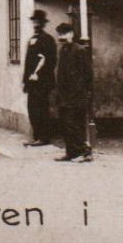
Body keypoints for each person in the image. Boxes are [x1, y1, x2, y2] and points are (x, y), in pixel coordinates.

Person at [53, 21, 94, 162]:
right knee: (65, 124)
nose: (61, 37)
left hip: (76, 95)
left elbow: (88, 74)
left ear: (71, 33)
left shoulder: (79, 50)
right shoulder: (63, 50)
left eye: (63, 33)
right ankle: (71, 152)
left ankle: (85, 152)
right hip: (64, 95)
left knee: (74, 124)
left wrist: (82, 91)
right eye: (59, 34)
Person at [22, 8, 58, 147]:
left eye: (38, 22)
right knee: (32, 108)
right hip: (31, 82)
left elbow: (51, 61)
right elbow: (28, 62)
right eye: (34, 21)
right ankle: (37, 136)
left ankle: (44, 137)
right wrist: (26, 81)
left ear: (43, 24)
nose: (36, 24)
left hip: (42, 82)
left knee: (41, 109)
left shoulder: (47, 39)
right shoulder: (32, 39)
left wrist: (39, 75)